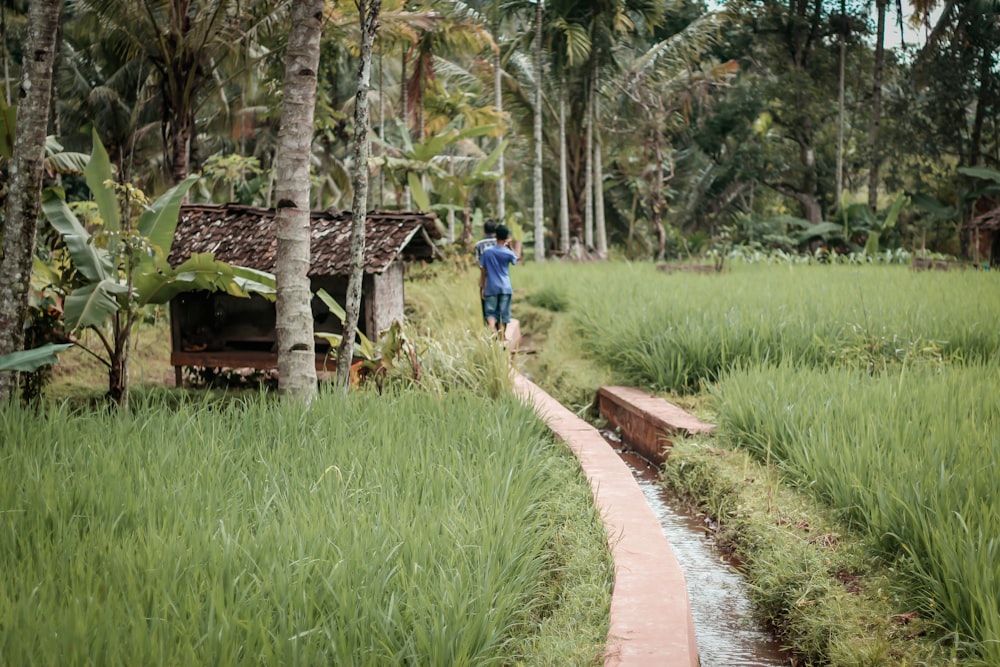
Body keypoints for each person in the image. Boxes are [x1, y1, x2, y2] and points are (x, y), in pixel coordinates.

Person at [478, 224, 519, 338]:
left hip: (491, 286)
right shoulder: (508, 252)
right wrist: (510, 246)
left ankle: (492, 330)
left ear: (496, 236)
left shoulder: (487, 252)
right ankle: (501, 336)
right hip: (505, 287)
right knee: (503, 313)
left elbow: (483, 270)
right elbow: (517, 259)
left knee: (490, 313)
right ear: (507, 237)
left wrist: (483, 287)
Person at [473, 219, 498, 323]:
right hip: (500, 280)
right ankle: (500, 333)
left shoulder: (478, 245)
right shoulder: (501, 243)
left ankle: (489, 333)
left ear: (484, 230)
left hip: (486, 280)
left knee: (487, 311)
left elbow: (479, 263)